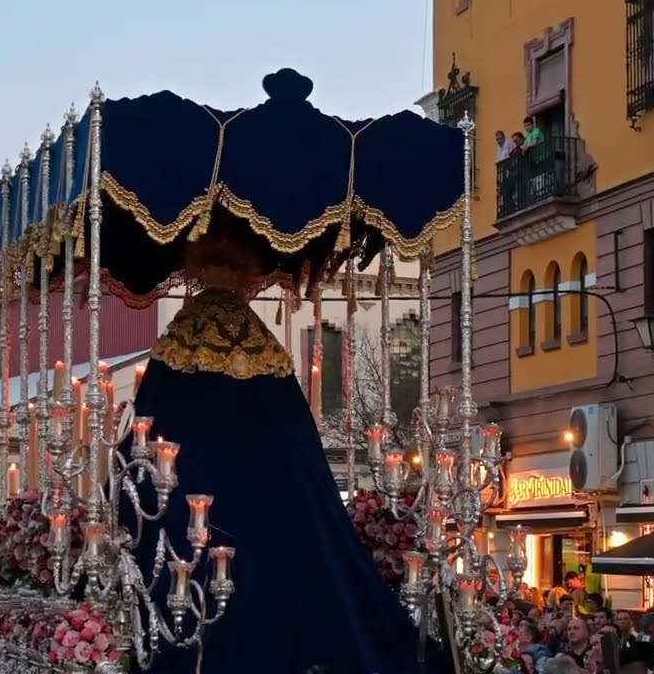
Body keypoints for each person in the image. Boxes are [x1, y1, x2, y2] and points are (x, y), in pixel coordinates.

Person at [128, 231, 449, 674]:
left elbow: (139, 458)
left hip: (188, 531)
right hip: (276, 531)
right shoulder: (267, 364)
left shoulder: (176, 360)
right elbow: (298, 459)